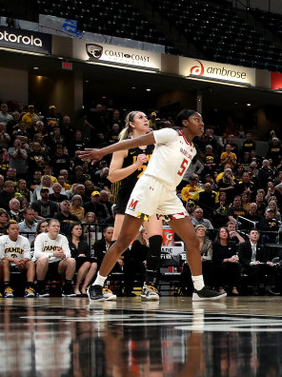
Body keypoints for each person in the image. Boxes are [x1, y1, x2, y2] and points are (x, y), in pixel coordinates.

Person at [78, 110, 225, 301]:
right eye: (196, 119)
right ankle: (96, 285)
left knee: (192, 240)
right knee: (124, 240)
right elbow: (134, 142)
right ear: (184, 123)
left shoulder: (192, 149)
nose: (201, 124)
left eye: (202, 120)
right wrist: (103, 151)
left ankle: (199, 288)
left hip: (169, 194)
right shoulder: (171, 134)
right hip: (149, 186)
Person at [106, 110, 166, 301]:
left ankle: (150, 285)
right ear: (131, 124)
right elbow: (112, 175)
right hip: (128, 197)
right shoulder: (123, 146)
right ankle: (105, 285)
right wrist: (135, 165)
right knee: (118, 242)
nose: (145, 119)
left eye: (146, 117)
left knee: (156, 239)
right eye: (140, 117)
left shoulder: (155, 145)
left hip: (151, 197)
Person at [33, 218, 77, 297]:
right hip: (42, 264)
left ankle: (67, 288)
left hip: (57, 263)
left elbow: (68, 254)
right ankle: (40, 287)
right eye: (53, 226)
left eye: (58, 226)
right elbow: (37, 254)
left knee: (71, 261)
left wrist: (64, 255)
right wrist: (52, 254)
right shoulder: (41, 237)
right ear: (48, 228)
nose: (56, 228)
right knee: (44, 259)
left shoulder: (63, 238)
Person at [0, 220, 36, 297]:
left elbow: (28, 256)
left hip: (21, 263)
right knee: (5, 262)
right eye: (12, 229)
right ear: (7, 230)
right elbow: (0, 256)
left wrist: (23, 261)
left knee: (31, 263)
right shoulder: (1, 239)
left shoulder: (24, 240)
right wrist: (13, 260)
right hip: (8, 263)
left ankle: (29, 287)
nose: (15, 231)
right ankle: (7, 287)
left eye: (17, 229)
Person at [67, 222, 96, 297]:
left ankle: (83, 287)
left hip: (83, 263)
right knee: (87, 263)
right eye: (76, 229)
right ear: (71, 231)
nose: (79, 231)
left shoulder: (84, 244)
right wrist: (77, 256)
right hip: (71, 263)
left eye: (80, 229)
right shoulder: (67, 242)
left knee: (94, 264)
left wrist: (83, 256)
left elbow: (89, 256)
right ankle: (76, 287)